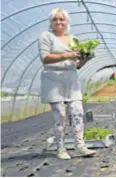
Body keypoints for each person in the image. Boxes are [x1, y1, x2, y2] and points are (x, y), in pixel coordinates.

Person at [38, 8, 96, 159]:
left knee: (77, 113)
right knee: (61, 115)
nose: (59, 22)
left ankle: (80, 146)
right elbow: (45, 58)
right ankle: (61, 148)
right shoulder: (46, 36)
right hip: (53, 79)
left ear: (67, 22)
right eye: (55, 19)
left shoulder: (73, 39)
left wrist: (85, 58)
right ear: (51, 22)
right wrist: (67, 55)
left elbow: (77, 65)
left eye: (61, 19)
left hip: (71, 79)